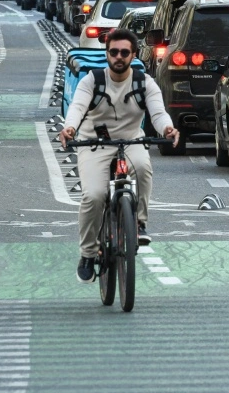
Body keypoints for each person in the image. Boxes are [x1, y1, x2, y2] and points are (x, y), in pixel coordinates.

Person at [59, 29, 178, 284]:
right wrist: (69, 128)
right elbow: (78, 107)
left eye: (125, 52)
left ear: (133, 55)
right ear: (107, 54)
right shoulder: (92, 80)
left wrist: (167, 128)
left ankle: (140, 224)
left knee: (143, 169)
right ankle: (88, 254)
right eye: (114, 52)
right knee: (94, 195)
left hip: (131, 140)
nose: (119, 57)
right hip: (94, 144)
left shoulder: (144, 82)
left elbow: (157, 113)